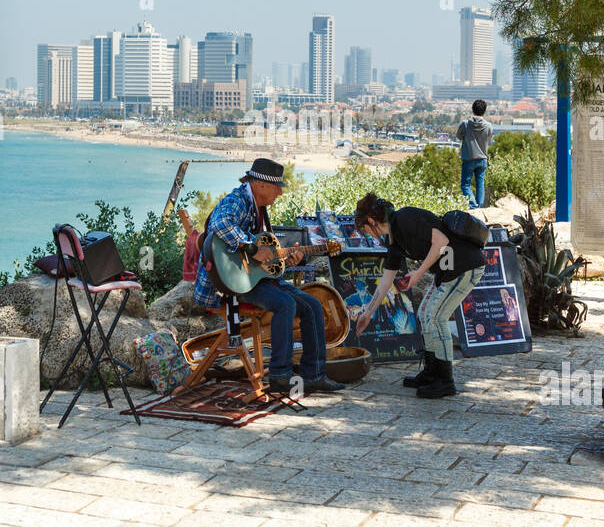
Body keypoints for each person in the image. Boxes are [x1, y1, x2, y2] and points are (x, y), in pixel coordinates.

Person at [193, 158, 344, 395]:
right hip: (229, 282)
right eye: (277, 187)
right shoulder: (238, 200)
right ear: (260, 184)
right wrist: (251, 248)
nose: (280, 193)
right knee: (286, 304)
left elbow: (267, 260)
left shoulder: (260, 209)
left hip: (254, 278)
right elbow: (219, 223)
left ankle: (314, 374)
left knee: (313, 305)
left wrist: (287, 260)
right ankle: (280, 375)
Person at [352, 193, 485, 398]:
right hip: (447, 272)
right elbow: (386, 281)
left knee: (435, 317)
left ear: (372, 221)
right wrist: (367, 314)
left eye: (365, 229)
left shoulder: (406, 218)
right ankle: (432, 373)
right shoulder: (393, 240)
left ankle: (445, 381)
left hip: (465, 266)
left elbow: (441, 240)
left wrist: (418, 273)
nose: (367, 234)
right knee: (424, 314)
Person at [456, 99, 493, 209]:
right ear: (484, 111)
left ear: (472, 110)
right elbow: (489, 138)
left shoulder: (465, 124)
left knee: (465, 184)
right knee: (480, 183)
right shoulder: (488, 126)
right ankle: (479, 206)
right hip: (482, 159)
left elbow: (458, 136)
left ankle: (473, 205)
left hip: (469, 158)